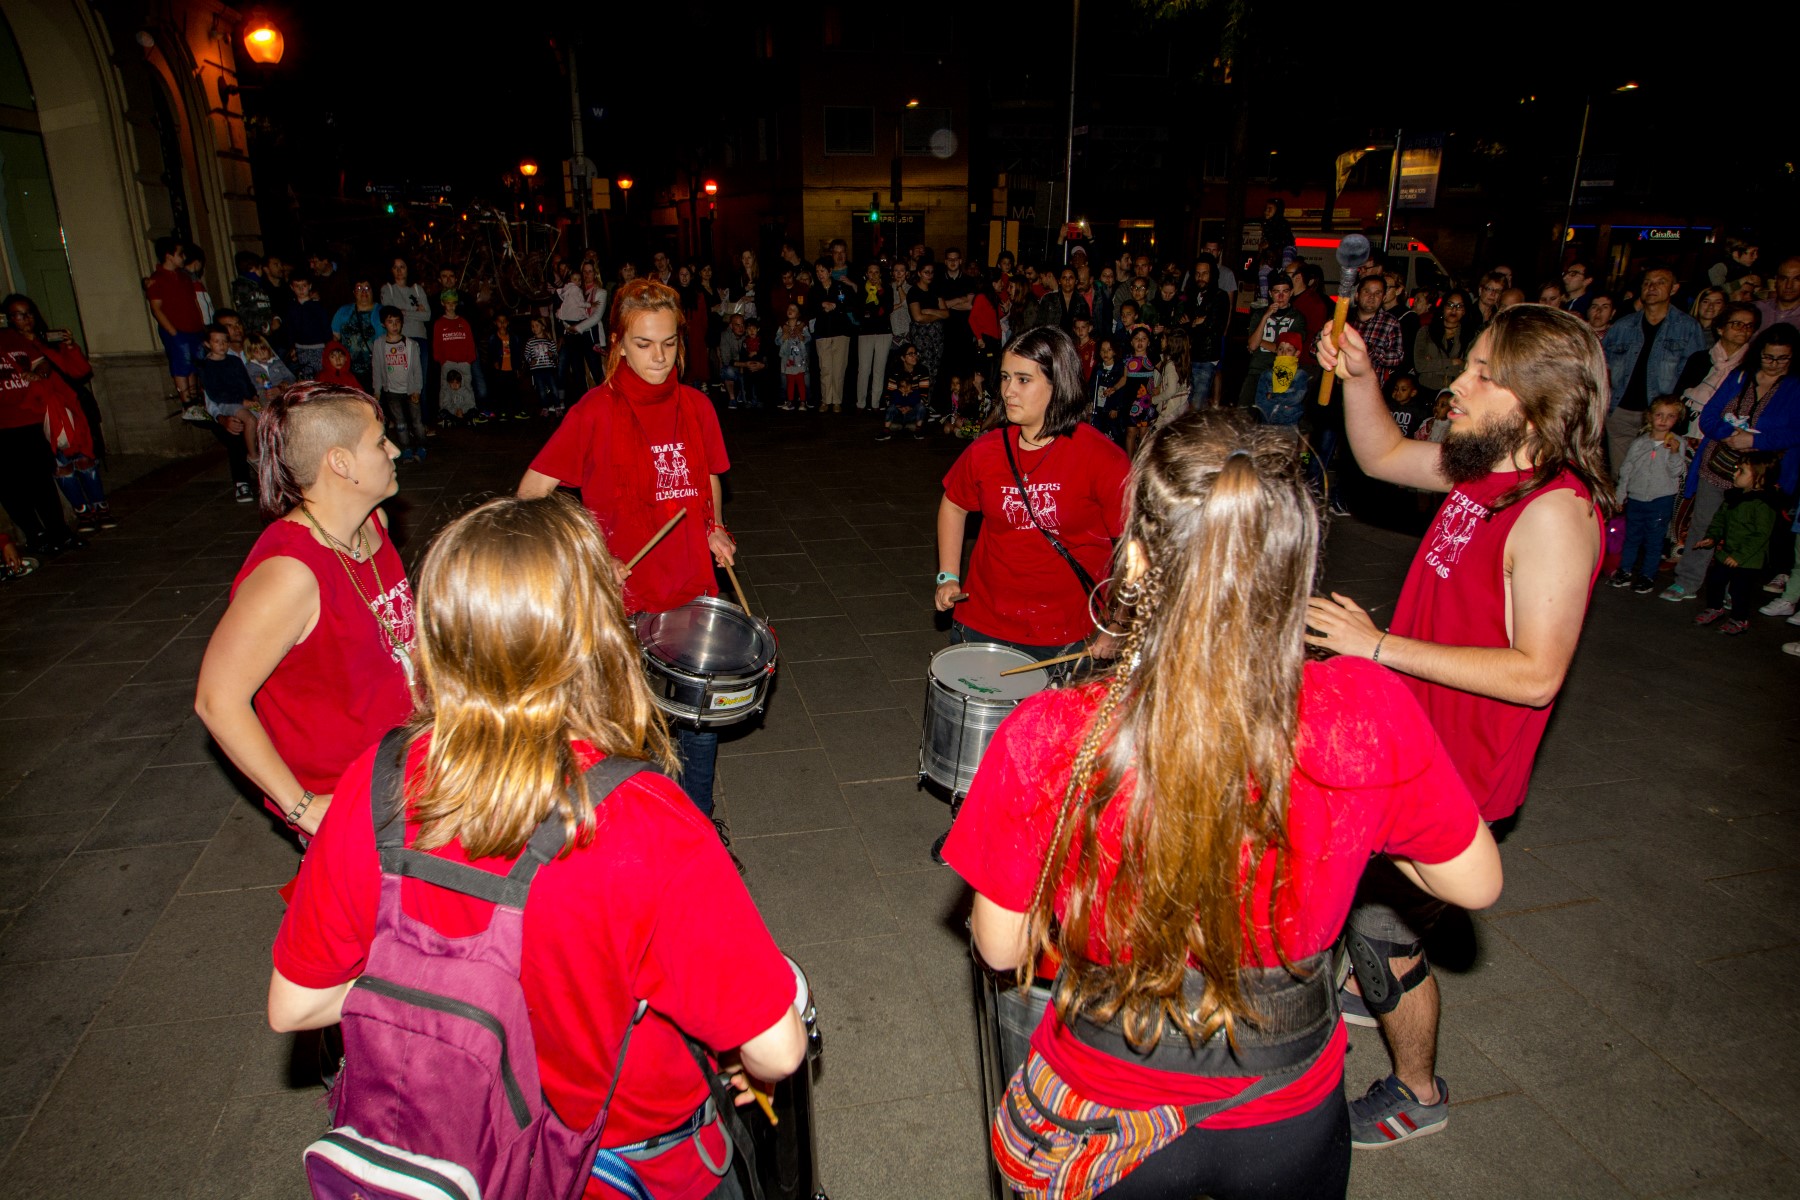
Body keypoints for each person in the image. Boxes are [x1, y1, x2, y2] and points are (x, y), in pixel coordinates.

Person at [945, 411, 1499, 1200]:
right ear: (1295, 565)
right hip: (1286, 1108)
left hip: (1107, 1106)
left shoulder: (1049, 733)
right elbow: (1474, 881)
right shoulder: (1367, 711)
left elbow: (1001, 950)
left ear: (1137, 559)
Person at [266, 494, 805, 1200]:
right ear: (597, 638)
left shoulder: (380, 778)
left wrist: (461, 997)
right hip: (623, 1165)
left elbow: (296, 1004)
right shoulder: (645, 818)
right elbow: (778, 1048)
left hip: (460, 1149)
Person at [1308, 304, 1610, 1148]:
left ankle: (1417, 1092)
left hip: (1457, 775)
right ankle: (1370, 986)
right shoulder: (1486, 467)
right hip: (1412, 743)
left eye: (1483, 373)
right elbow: (1379, 454)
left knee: (1379, 933)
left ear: (1539, 401)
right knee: (1369, 899)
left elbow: (1537, 674)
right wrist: (1361, 378)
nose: (1457, 385)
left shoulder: (1554, 513)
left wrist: (1378, 647)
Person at [518, 279, 737, 820]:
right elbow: (530, 495)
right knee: (632, 727)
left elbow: (708, 475)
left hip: (692, 587)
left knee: (697, 720)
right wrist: (588, 553)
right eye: (644, 344)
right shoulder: (594, 411)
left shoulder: (697, 405)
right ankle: (642, 828)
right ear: (617, 343)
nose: (658, 356)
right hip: (625, 599)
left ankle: (698, 822)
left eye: (668, 343)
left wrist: (714, 527)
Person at [195, 382, 414, 839]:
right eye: (380, 441)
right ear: (340, 462)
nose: (393, 450)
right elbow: (217, 701)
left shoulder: (373, 524)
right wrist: (302, 808)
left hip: (401, 768)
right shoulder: (290, 573)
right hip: (351, 797)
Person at [1662, 325, 1800, 601]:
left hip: (1760, 476)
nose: (1774, 364)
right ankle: (1687, 581)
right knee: (1703, 523)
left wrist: (1755, 440)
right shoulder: (1739, 376)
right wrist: (1730, 435)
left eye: (1782, 358)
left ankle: (1732, 590)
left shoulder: (1795, 386)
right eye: (1768, 357)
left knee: (1745, 532)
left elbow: (1795, 431)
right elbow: (1708, 417)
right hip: (1719, 463)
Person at [0, 294, 90, 547]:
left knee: (41, 479)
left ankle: (59, 531)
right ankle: (35, 534)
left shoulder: (14, 339)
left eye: (28, 313)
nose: (26, 319)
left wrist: (38, 373)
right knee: (10, 483)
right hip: (2, 425)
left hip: (29, 420)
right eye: (19, 314)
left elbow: (42, 363)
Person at [1601, 267, 1709, 477]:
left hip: (1661, 416)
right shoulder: (1623, 326)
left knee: (1651, 477)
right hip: (1620, 412)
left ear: (1674, 289)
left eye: (1660, 282)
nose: (1652, 287)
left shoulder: (1687, 327)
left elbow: (1695, 374)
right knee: (1621, 477)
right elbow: (1603, 365)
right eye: (1647, 282)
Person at [1692, 453, 1780, 634]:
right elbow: (1719, 520)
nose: (1734, 474)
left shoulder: (1763, 504)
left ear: (1759, 478)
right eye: (1736, 469)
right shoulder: (1734, 497)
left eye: (1741, 471)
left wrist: (1739, 556)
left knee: (1739, 590)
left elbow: (1761, 535)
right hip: (1727, 552)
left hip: (1748, 559)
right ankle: (1715, 608)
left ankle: (1740, 619)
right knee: (1715, 580)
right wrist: (1712, 537)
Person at [1610, 396, 1690, 593]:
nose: (1663, 420)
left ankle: (1647, 575)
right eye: (1659, 415)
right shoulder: (1639, 443)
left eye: (1670, 416)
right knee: (1631, 537)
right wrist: (1620, 495)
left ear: (1677, 419)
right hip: (1636, 498)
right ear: (1650, 416)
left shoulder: (1678, 443)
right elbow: (1626, 469)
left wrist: (1674, 453)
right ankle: (1625, 570)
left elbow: (1677, 472)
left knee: (1654, 541)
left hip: (1660, 499)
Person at [146, 236, 209, 420]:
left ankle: (195, 401)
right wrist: (173, 331)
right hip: (176, 330)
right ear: (169, 256)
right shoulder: (157, 279)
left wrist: (200, 324)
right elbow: (156, 308)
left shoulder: (184, 277)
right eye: (180, 254)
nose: (184, 257)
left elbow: (193, 302)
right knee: (182, 363)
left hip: (194, 328)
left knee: (194, 363)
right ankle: (187, 402)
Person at [195, 324, 261, 475]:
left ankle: (264, 453)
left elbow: (247, 382)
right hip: (228, 403)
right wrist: (242, 401)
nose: (222, 345)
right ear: (207, 344)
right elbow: (215, 393)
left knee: (265, 418)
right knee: (250, 420)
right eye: (217, 341)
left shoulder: (234, 361)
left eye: (225, 341)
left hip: (246, 399)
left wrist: (253, 396)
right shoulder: (206, 366)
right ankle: (253, 456)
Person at [1238, 274, 1306, 407]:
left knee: (1274, 413)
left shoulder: (1297, 317)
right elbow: (1252, 345)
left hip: (1283, 372)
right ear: (1270, 293)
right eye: (1276, 292)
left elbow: (1286, 349)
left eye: (1285, 291)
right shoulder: (1259, 314)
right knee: (1244, 410)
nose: (1280, 296)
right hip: (1257, 369)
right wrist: (1265, 317)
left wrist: (1260, 341)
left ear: (1291, 292)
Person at [374, 306, 428, 463]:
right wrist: (377, 390)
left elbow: (417, 369)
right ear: (384, 324)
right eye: (390, 322)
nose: (394, 325)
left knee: (417, 422)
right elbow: (377, 368)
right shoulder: (379, 344)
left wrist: (417, 389)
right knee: (400, 423)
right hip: (392, 391)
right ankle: (406, 448)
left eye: (397, 321)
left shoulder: (410, 345)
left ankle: (422, 446)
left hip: (410, 390)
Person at [805, 259, 857, 412]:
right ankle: (825, 400)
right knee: (825, 368)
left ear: (830, 271)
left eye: (822, 270)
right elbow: (809, 309)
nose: (819, 274)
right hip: (822, 333)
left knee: (839, 368)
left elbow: (850, 304)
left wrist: (835, 306)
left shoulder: (840, 287)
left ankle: (837, 401)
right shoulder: (814, 290)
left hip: (841, 332)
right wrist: (822, 305)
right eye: (817, 271)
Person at [331, 277, 386, 393]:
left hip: (374, 370)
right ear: (354, 292)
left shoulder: (383, 312)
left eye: (367, 288)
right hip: (348, 370)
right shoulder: (343, 311)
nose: (363, 292)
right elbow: (334, 339)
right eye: (359, 288)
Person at [1414, 289, 1473, 394]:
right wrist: (1453, 362)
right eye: (1450, 305)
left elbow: (1469, 367)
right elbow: (1420, 365)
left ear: (1464, 311)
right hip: (1426, 389)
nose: (1454, 310)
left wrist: (1433, 364)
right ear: (1443, 307)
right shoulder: (1426, 332)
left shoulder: (1470, 335)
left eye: (1459, 306)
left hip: (1455, 391)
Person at [854, 260, 893, 412]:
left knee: (879, 369)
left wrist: (880, 292)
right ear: (866, 274)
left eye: (876, 272)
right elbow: (859, 313)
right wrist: (873, 312)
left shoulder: (887, 289)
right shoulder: (861, 290)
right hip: (866, 333)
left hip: (883, 333)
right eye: (870, 272)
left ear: (880, 274)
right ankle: (861, 403)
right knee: (864, 369)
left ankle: (875, 403)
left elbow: (887, 309)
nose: (873, 275)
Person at [432, 290, 477, 418]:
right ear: (443, 303)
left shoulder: (463, 322)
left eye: (453, 303)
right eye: (448, 303)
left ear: (457, 304)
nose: (451, 306)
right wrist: (441, 360)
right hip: (448, 362)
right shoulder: (439, 323)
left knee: (466, 386)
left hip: (464, 362)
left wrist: (469, 359)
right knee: (446, 388)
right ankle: (446, 410)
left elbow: (470, 341)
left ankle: (470, 408)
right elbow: (436, 343)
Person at [879, 342, 929, 442]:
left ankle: (916, 428)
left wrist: (910, 407)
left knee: (921, 407)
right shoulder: (895, 371)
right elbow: (889, 395)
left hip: (912, 411)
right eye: (910, 354)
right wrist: (899, 407)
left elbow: (924, 396)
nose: (914, 356)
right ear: (903, 358)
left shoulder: (922, 370)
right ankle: (887, 430)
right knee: (891, 410)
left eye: (915, 353)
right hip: (899, 411)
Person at [286, 275, 331, 379]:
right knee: (306, 379)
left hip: (319, 349)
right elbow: (289, 330)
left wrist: (328, 347)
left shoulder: (318, 306)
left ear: (310, 286)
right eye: (297, 286)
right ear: (292, 287)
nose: (301, 289)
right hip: (300, 350)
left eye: (304, 286)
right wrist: (291, 347)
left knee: (322, 377)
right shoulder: (291, 308)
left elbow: (326, 329)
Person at [776, 302, 811, 412]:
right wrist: (783, 337)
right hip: (788, 360)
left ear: (798, 314)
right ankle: (790, 401)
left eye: (794, 309)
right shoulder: (782, 327)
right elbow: (777, 341)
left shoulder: (802, 326)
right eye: (789, 308)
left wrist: (802, 337)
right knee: (789, 381)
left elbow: (808, 338)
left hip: (800, 359)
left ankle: (803, 402)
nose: (790, 310)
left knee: (801, 381)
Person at [1757, 257, 1800, 331]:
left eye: (1797, 279)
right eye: (1783, 279)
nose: (1788, 286)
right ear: (1776, 280)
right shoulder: (1757, 308)